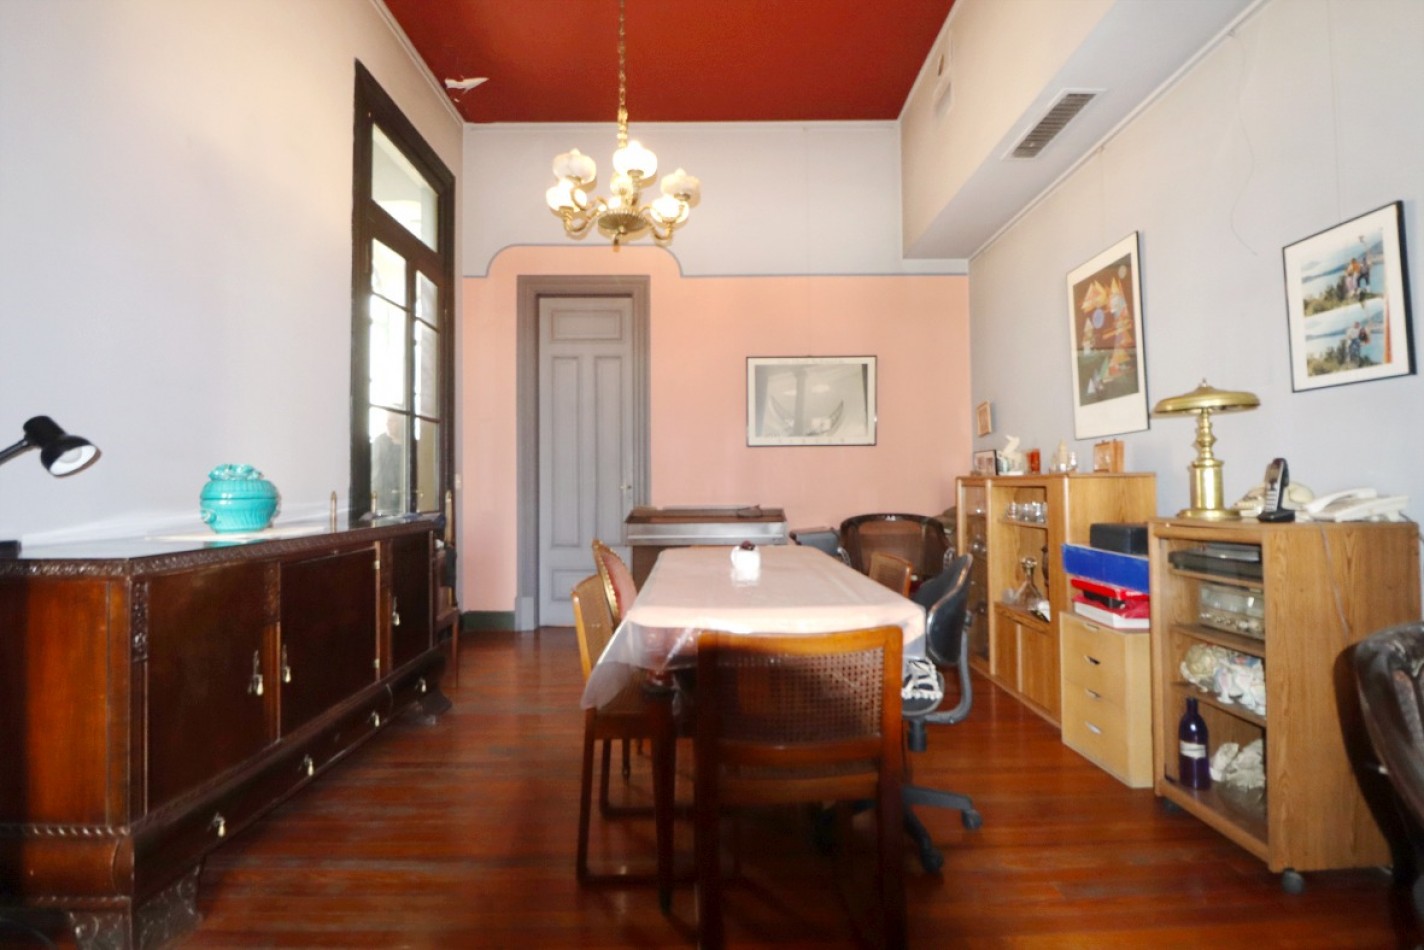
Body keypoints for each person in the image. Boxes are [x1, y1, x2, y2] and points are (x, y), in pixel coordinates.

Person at [371, 413, 405, 514]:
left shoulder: (407, 442)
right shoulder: (380, 442)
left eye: (392, 421)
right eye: (388, 421)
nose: (388, 424)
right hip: (384, 498)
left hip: (403, 496)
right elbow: (375, 472)